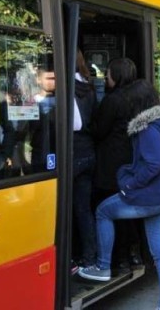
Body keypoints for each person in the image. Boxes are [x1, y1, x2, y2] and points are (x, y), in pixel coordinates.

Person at [78, 79, 160, 310]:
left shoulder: (147, 127)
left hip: (149, 197)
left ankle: (103, 266)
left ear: (137, 104)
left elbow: (154, 163)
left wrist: (130, 184)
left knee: (103, 211)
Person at [91, 57, 140, 270]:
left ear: (116, 75)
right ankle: (131, 255)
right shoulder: (138, 99)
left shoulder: (113, 100)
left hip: (112, 165)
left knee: (108, 212)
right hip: (131, 163)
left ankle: (113, 260)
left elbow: (99, 130)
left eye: (108, 73)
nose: (105, 77)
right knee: (127, 214)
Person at [72, 50, 97, 267]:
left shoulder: (64, 87)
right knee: (83, 208)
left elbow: (73, 124)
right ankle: (89, 256)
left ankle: (72, 255)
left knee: (66, 208)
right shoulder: (88, 87)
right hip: (88, 150)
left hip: (72, 152)